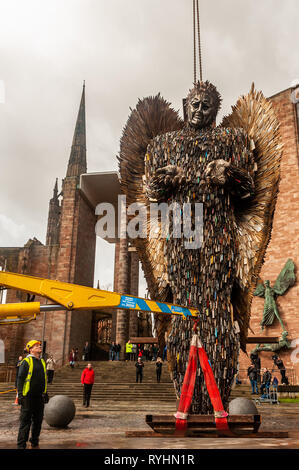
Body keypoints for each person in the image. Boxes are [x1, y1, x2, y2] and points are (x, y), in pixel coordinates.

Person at [17, 340, 49, 449]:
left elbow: (43, 379)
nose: (39, 346)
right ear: (31, 349)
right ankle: (21, 445)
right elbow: (20, 379)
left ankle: (34, 442)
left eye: (39, 345)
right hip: (28, 397)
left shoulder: (42, 362)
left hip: (39, 397)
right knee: (25, 422)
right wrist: (20, 395)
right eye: (36, 346)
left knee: (38, 421)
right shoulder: (26, 362)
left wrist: (45, 393)